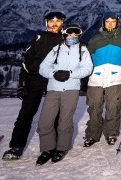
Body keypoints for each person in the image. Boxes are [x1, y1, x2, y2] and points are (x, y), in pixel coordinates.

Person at [2, 10, 67, 160]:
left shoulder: (66, 39)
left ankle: (55, 146)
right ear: (46, 23)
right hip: (36, 80)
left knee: (55, 114)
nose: (54, 24)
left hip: (54, 80)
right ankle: (16, 146)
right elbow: (26, 63)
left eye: (58, 21)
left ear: (62, 23)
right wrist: (23, 83)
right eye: (51, 22)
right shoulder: (38, 39)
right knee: (26, 113)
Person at [35, 23, 93, 164]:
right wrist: (54, 74)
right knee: (45, 121)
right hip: (53, 89)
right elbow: (42, 68)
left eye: (75, 35)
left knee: (65, 121)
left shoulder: (83, 50)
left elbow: (88, 69)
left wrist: (71, 74)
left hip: (71, 89)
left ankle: (61, 148)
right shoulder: (56, 49)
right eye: (69, 34)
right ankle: (48, 149)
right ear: (64, 35)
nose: (72, 37)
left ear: (79, 36)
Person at [83, 11, 121, 147]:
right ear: (103, 23)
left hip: (116, 78)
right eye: (107, 21)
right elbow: (88, 57)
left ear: (117, 22)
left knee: (113, 106)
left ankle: (111, 132)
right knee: (94, 107)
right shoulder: (95, 39)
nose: (110, 24)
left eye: (113, 21)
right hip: (96, 78)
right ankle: (92, 134)